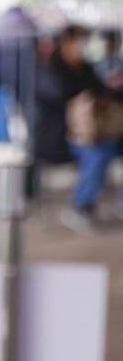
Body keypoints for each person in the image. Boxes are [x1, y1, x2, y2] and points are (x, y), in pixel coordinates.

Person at [36, 24, 120, 233]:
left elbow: (102, 92)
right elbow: (58, 97)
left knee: (106, 148)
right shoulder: (51, 69)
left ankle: (88, 205)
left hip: (93, 134)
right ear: (67, 42)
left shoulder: (87, 68)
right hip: (60, 137)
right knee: (97, 154)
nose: (83, 46)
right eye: (80, 41)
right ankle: (81, 207)